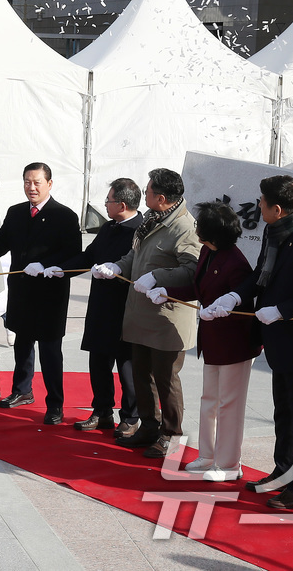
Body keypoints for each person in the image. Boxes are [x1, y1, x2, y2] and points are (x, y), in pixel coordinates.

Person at [213, 175, 293, 511]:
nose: (258, 206)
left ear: (278, 209)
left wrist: (282, 310)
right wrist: (235, 295)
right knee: (284, 413)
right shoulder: (276, 231)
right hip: (280, 341)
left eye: (262, 202)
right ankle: (282, 472)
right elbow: (260, 274)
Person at [92, 168, 200, 459]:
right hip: (140, 313)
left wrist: (158, 277)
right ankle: (149, 427)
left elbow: (191, 269)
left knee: (166, 379)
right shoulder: (153, 219)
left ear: (161, 198)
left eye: (149, 189)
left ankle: (172, 435)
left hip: (166, 317)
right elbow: (136, 254)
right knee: (141, 375)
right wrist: (117, 267)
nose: (145, 193)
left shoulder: (184, 226)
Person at [0, 162, 83, 425]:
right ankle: (22, 390)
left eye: (37, 183)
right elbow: (0, 243)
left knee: (50, 350)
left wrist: (46, 265)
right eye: (26, 182)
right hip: (22, 290)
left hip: (50, 293)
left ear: (49, 184)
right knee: (22, 342)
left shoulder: (64, 216)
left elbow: (73, 254)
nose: (31, 188)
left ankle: (55, 403)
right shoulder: (16, 212)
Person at [165, 201, 259, 483]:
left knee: (230, 403)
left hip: (235, 343)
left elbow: (242, 307)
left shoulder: (236, 263)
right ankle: (208, 454)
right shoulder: (208, 251)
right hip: (213, 339)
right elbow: (198, 288)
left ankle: (229, 463)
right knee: (210, 400)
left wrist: (220, 310)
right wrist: (166, 291)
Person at [58, 179, 143, 437]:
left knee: (127, 367)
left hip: (125, 308)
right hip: (100, 306)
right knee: (98, 363)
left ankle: (130, 417)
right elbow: (88, 256)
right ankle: (102, 410)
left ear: (122, 204)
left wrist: (116, 270)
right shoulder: (108, 228)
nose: (105, 204)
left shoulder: (141, 231)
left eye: (108, 200)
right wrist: (61, 270)